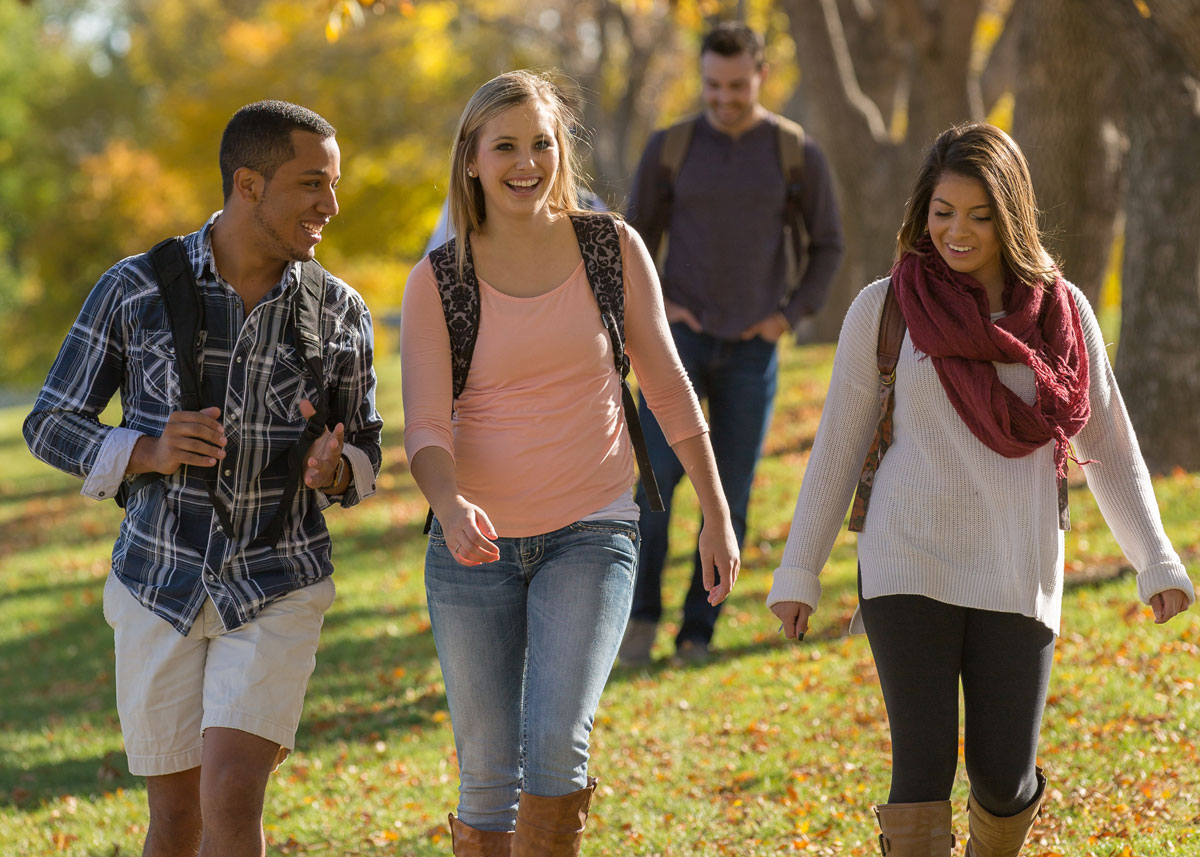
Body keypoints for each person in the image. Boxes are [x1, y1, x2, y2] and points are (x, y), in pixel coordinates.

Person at [767, 122, 1194, 856]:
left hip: (1016, 561)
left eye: (979, 215)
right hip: (907, 558)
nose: (956, 232)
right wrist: (799, 569)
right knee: (922, 769)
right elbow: (837, 446)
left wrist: (1154, 559)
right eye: (942, 212)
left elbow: (1110, 444)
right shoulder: (887, 307)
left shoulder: (1062, 314)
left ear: (1012, 214)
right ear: (921, 212)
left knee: (1002, 776)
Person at [23, 100, 383, 857]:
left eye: (335, 183)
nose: (332, 205)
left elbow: (367, 448)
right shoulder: (135, 288)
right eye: (312, 184)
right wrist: (145, 450)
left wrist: (337, 468)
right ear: (248, 184)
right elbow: (49, 421)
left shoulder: (340, 311)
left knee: (230, 792)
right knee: (177, 818)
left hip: (278, 579)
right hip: (157, 579)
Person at [400, 70, 739, 856]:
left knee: (555, 746)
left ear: (562, 150)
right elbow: (423, 427)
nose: (527, 163)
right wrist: (450, 506)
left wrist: (716, 512)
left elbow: (667, 383)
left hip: (592, 527)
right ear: (473, 160)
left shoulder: (609, 247)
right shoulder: (438, 279)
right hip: (471, 548)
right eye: (506, 146)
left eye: (542, 144)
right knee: (487, 775)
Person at [620, 20, 844, 666]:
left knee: (732, 495)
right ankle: (641, 617)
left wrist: (788, 315)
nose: (724, 98)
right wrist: (658, 310)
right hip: (675, 344)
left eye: (737, 86)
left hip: (753, 350)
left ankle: (699, 628)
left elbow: (827, 245)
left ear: (761, 76)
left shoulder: (794, 153)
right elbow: (632, 244)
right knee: (654, 487)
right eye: (713, 86)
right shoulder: (671, 147)